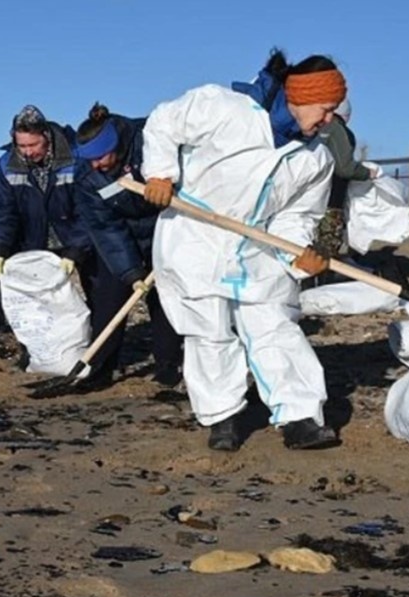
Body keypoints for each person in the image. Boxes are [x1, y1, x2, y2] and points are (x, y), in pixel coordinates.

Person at [138, 49, 347, 451]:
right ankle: (223, 418)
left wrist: (298, 252)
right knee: (209, 332)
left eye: (333, 111)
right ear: (300, 97)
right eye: (325, 109)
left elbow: (297, 214)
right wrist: (161, 172)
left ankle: (300, 417)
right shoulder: (223, 107)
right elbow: (163, 122)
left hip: (258, 246)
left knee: (275, 326)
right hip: (196, 236)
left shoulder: (315, 158)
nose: (328, 120)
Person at [72, 102, 184, 387]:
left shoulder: (148, 141)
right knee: (109, 299)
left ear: (116, 144)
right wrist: (130, 271)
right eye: (90, 160)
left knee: (165, 300)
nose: (96, 165)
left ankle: (168, 367)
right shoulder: (89, 177)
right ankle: (98, 370)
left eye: (101, 157)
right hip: (125, 236)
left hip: (167, 226)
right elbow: (105, 227)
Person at [0, 105, 99, 354]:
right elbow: (1, 212)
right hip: (33, 242)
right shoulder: (7, 166)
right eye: (22, 146)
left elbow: (89, 212)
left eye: (33, 145)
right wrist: (0, 248)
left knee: (97, 295)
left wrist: (76, 250)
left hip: (75, 238)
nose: (27, 152)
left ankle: (92, 351)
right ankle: (39, 351)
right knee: (34, 302)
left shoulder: (75, 159)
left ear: (46, 137)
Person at [316, 98, 377, 260]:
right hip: (330, 201)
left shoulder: (308, 126)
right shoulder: (338, 130)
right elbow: (345, 168)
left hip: (303, 201)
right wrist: (367, 173)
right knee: (324, 253)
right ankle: (320, 283)